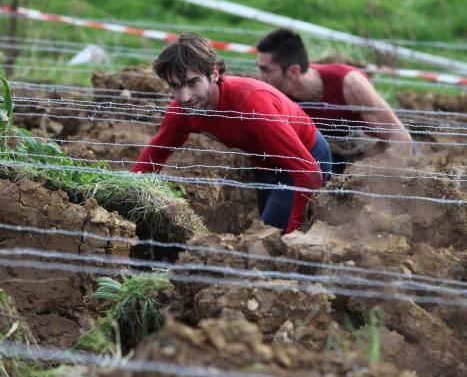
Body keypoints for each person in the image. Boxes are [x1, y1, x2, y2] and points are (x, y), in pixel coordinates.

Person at [132, 33, 332, 234]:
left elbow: (308, 173)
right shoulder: (183, 110)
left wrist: (292, 237)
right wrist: (129, 190)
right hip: (264, 161)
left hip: (308, 156)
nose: (184, 96)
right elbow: (157, 152)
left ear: (214, 74)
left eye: (193, 82)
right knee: (267, 227)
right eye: (175, 86)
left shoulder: (252, 105)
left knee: (271, 234)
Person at [256, 28, 413, 166]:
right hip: (325, 161)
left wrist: (394, 181)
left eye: (266, 70)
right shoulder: (273, 96)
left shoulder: (349, 84)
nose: (260, 77)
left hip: (371, 161)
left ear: (294, 72)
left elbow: (398, 136)